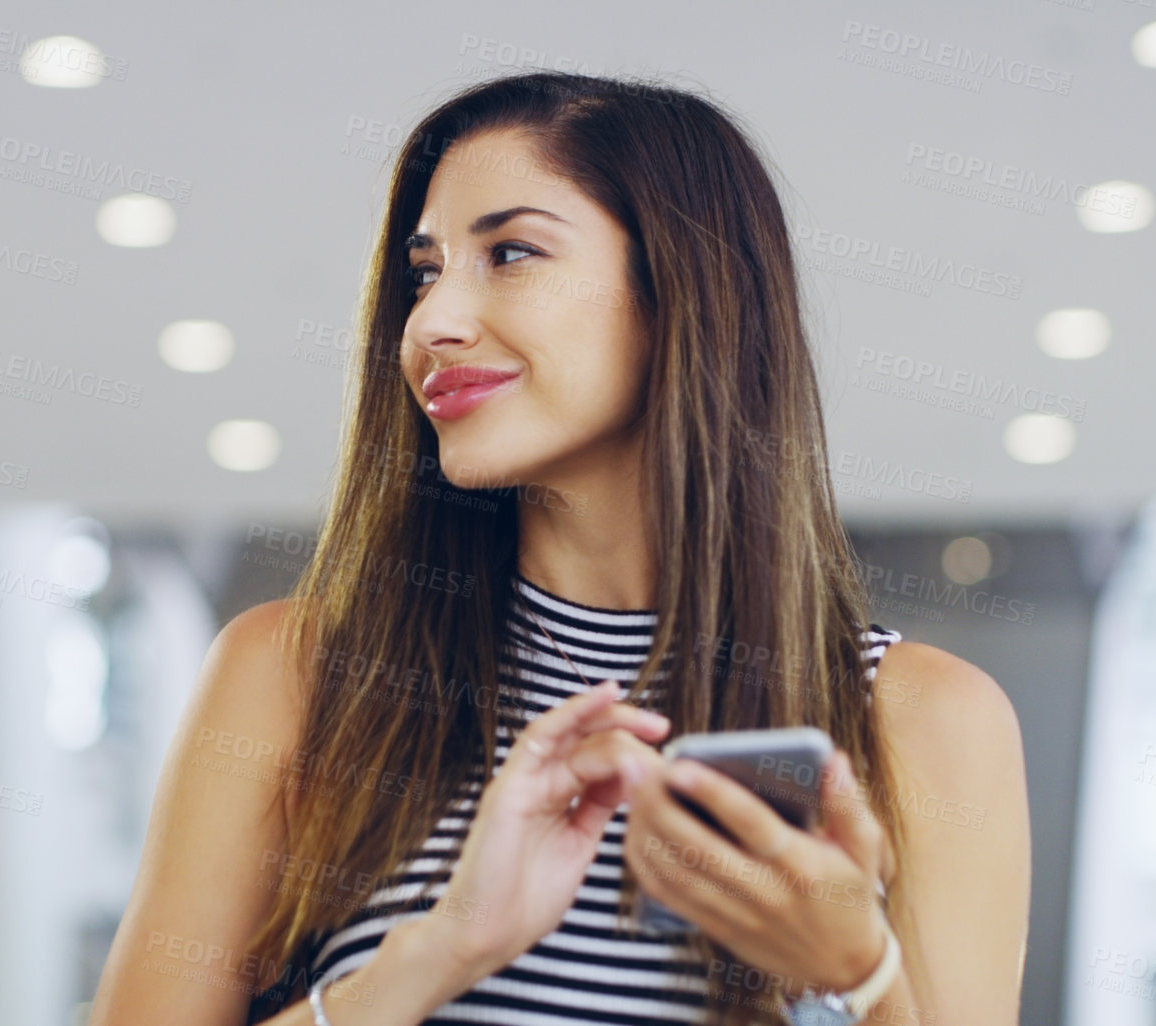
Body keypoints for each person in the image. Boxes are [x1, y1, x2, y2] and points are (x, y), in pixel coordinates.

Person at [88, 70, 1030, 1026]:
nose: (431, 323)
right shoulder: (299, 673)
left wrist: (860, 975)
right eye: (425, 271)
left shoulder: (921, 719)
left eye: (510, 253)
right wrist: (439, 948)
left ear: (679, 290)